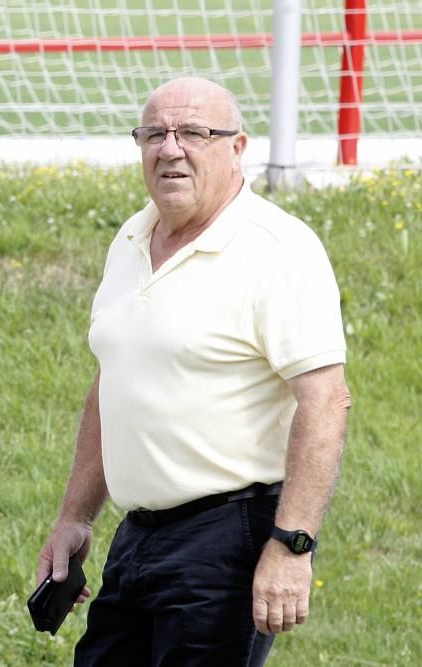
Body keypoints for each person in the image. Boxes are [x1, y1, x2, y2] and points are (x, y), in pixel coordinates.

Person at [36, 77, 351, 665]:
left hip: (228, 538)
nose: (170, 149)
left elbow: (326, 401)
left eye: (194, 133)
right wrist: (75, 517)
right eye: (154, 134)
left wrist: (292, 548)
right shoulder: (133, 235)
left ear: (238, 148)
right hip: (138, 538)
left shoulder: (278, 249)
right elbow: (114, 381)